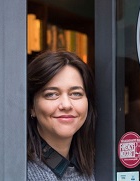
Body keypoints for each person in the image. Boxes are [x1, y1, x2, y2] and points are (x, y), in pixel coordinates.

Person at [27, 50, 96, 180]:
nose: (66, 105)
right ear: (32, 107)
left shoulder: (100, 167)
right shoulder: (16, 170)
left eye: (76, 94)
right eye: (51, 94)